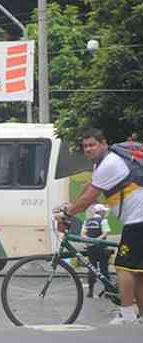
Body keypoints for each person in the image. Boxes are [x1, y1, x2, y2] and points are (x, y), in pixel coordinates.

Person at [54, 128, 143, 324]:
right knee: (137, 272)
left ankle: (127, 315)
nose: (88, 149)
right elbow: (89, 187)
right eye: (85, 146)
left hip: (138, 220)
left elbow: (89, 197)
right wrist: (70, 205)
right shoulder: (101, 165)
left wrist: (68, 213)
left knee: (123, 268)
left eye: (92, 145)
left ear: (104, 144)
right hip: (137, 219)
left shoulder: (110, 164)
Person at [81, 203, 111, 298]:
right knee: (104, 270)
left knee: (91, 269)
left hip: (90, 249)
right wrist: (97, 240)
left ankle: (90, 292)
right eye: (104, 211)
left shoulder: (87, 221)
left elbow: (82, 234)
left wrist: (89, 241)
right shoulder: (103, 221)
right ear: (101, 212)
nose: (105, 213)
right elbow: (105, 233)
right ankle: (108, 292)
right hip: (101, 248)